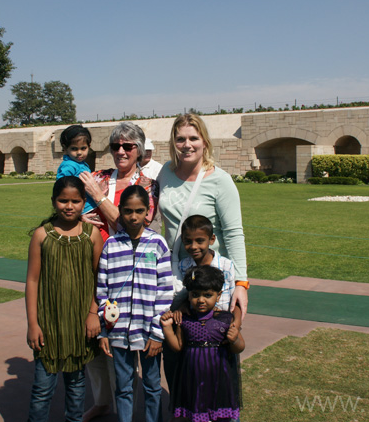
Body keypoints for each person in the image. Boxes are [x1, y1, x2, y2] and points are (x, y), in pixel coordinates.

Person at [79, 122, 160, 421]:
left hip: (125, 274)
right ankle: (102, 400)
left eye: (128, 146)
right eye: (116, 146)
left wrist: (99, 200)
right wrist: (82, 217)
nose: (121, 151)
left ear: (139, 150)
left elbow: (135, 226)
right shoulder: (98, 177)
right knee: (94, 341)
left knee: (123, 342)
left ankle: (124, 403)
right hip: (90, 267)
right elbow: (70, 205)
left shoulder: (147, 185)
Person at [25, 176, 103, 422]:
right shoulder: (41, 235)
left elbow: (99, 278)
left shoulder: (92, 235)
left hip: (79, 325)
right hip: (48, 325)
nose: (69, 206)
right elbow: (32, 281)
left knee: (76, 388)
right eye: (63, 200)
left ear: (84, 203)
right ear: (53, 201)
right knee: (42, 391)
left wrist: (93, 314)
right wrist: (33, 324)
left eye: (76, 201)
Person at [157, 114, 249, 314]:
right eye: (180, 139)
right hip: (174, 272)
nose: (186, 145)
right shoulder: (165, 172)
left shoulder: (220, 180)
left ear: (205, 143)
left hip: (208, 278)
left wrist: (241, 283)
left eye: (193, 139)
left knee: (208, 339)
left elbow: (234, 233)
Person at [96, 185, 173, 422]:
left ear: (148, 211)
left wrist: (158, 334)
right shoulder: (111, 245)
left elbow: (165, 292)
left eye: (139, 210)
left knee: (151, 385)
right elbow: (102, 290)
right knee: (124, 385)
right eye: (128, 211)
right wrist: (103, 330)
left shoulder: (158, 244)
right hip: (118, 331)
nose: (133, 216)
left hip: (149, 330)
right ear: (120, 211)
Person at [161, 265, 245, 422]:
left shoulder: (225, 319)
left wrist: (235, 340)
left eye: (207, 295)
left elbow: (239, 348)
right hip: (192, 376)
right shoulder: (184, 320)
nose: (200, 300)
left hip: (218, 376)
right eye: (195, 295)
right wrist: (167, 328)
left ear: (218, 296)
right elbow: (178, 346)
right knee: (195, 411)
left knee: (218, 412)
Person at [57, 124, 97, 214]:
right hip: (80, 210)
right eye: (74, 149)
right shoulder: (69, 165)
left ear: (89, 146)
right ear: (65, 148)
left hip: (87, 206)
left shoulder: (80, 164)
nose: (79, 153)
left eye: (83, 148)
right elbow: (61, 187)